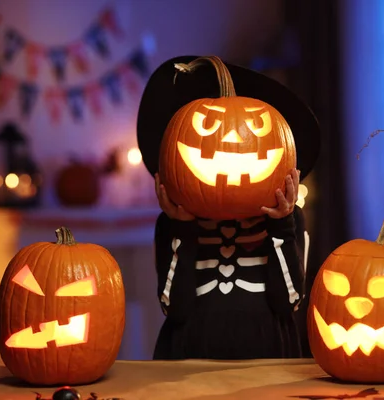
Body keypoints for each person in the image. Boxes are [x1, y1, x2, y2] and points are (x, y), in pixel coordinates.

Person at [137, 55, 321, 360]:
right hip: (189, 355)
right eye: (207, 126)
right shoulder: (172, 223)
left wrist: (281, 224)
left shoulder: (287, 220)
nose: (233, 139)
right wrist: (182, 227)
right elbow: (174, 307)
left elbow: (289, 300)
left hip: (267, 356)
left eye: (255, 128)